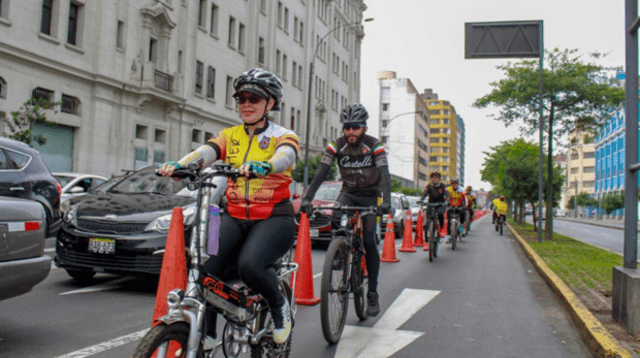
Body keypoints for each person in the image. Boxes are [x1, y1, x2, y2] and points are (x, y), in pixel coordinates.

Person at [158, 68, 297, 345]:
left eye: (254, 98)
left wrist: (266, 165)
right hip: (232, 214)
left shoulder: (283, 134)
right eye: (241, 98)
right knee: (205, 267)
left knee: (250, 266)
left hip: (273, 217)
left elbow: (286, 155)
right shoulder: (230, 135)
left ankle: (279, 307)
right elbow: (206, 152)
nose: (246, 104)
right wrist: (182, 165)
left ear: (270, 103)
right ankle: (206, 337)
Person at [299, 103, 392, 317]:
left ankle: (372, 293)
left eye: (355, 127)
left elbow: (385, 175)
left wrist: (386, 201)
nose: (350, 132)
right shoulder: (336, 145)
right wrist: (308, 199)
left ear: (364, 128)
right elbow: (322, 172)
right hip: (348, 192)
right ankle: (340, 251)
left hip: (369, 196)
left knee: (368, 240)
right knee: (337, 218)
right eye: (347, 127)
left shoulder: (374, 145)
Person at [419, 171, 448, 250]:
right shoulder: (429, 186)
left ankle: (441, 229)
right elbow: (424, 193)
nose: (435, 179)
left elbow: (446, 194)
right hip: (431, 204)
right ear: (431, 178)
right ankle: (427, 242)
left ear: (439, 179)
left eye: (436, 177)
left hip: (440, 204)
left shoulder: (442, 186)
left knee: (440, 214)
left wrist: (447, 201)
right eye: (433, 177)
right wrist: (421, 199)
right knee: (427, 222)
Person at [445, 178, 467, 243]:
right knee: (449, 219)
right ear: (451, 184)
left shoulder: (462, 190)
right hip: (451, 206)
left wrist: (465, 205)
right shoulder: (448, 189)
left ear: (458, 184)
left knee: (463, 213)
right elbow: (444, 197)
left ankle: (461, 226)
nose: (454, 185)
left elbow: (465, 198)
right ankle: (449, 235)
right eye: (453, 184)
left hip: (459, 206)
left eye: (456, 184)